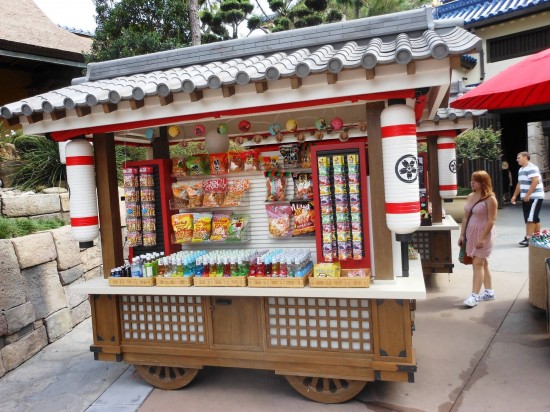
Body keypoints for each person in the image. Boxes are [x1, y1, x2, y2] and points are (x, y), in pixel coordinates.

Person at [459, 171, 498, 308]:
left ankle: (474, 296)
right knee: (483, 263)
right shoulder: (470, 196)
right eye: (471, 180)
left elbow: (491, 220)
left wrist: (482, 238)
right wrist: (462, 235)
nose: (472, 182)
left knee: (477, 264)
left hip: (484, 235)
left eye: (475, 180)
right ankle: (489, 292)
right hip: (471, 234)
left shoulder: (490, 198)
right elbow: (465, 217)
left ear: (483, 182)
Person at [511, 152, 545, 247]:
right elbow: (519, 183)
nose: (517, 159)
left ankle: (528, 238)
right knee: (534, 218)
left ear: (525, 157)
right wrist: (514, 196)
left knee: (530, 217)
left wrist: (528, 194)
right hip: (527, 197)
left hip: (535, 196)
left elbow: (535, 181)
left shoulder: (532, 167)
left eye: (519, 158)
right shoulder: (521, 169)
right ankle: (538, 237)